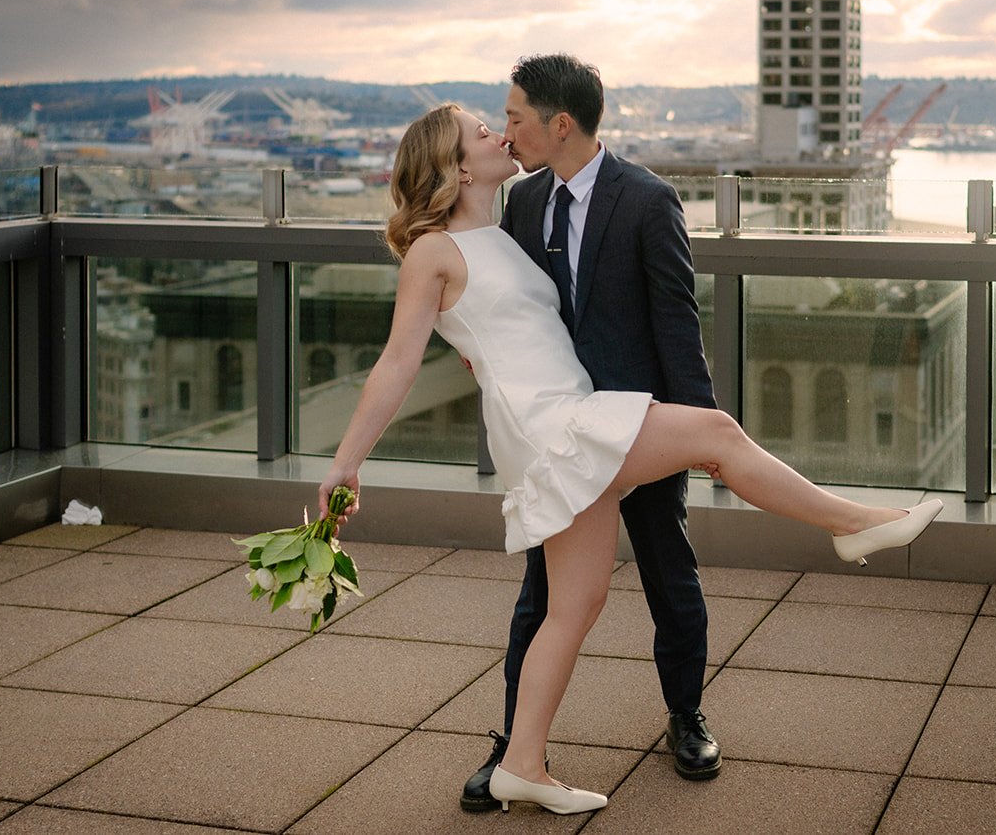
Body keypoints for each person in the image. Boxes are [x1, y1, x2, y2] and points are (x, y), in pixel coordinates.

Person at [316, 100, 943, 817]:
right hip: (551, 426)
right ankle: (851, 522)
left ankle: (520, 765)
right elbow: (397, 364)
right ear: (456, 168)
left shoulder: (501, 229)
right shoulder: (434, 250)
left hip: (562, 418)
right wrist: (346, 463)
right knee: (716, 433)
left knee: (574, 606)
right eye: (482, 133)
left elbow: (511, 325)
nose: (499, 134)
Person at [474, 52, 723, 809]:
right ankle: (516, 744)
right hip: (561, 434)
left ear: (560, 123)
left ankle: (686, 715)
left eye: (515, 117)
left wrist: (698, 426)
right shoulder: (522, 202)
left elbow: (676, 322)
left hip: (638, 425)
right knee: (540, 594)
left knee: (667, 572)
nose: (506, 133)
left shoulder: (647, 198)